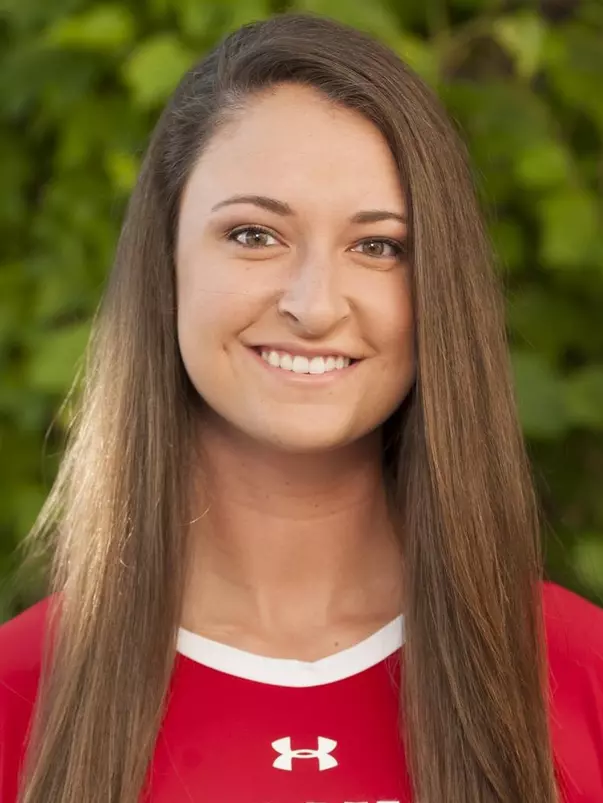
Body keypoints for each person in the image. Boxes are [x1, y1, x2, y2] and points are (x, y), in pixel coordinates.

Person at [0, 11, 602, 803]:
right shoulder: (21, 693)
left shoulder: (577, 672)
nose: (314, 305)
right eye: (253, 234)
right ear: (166, 262)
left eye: (378, 245)